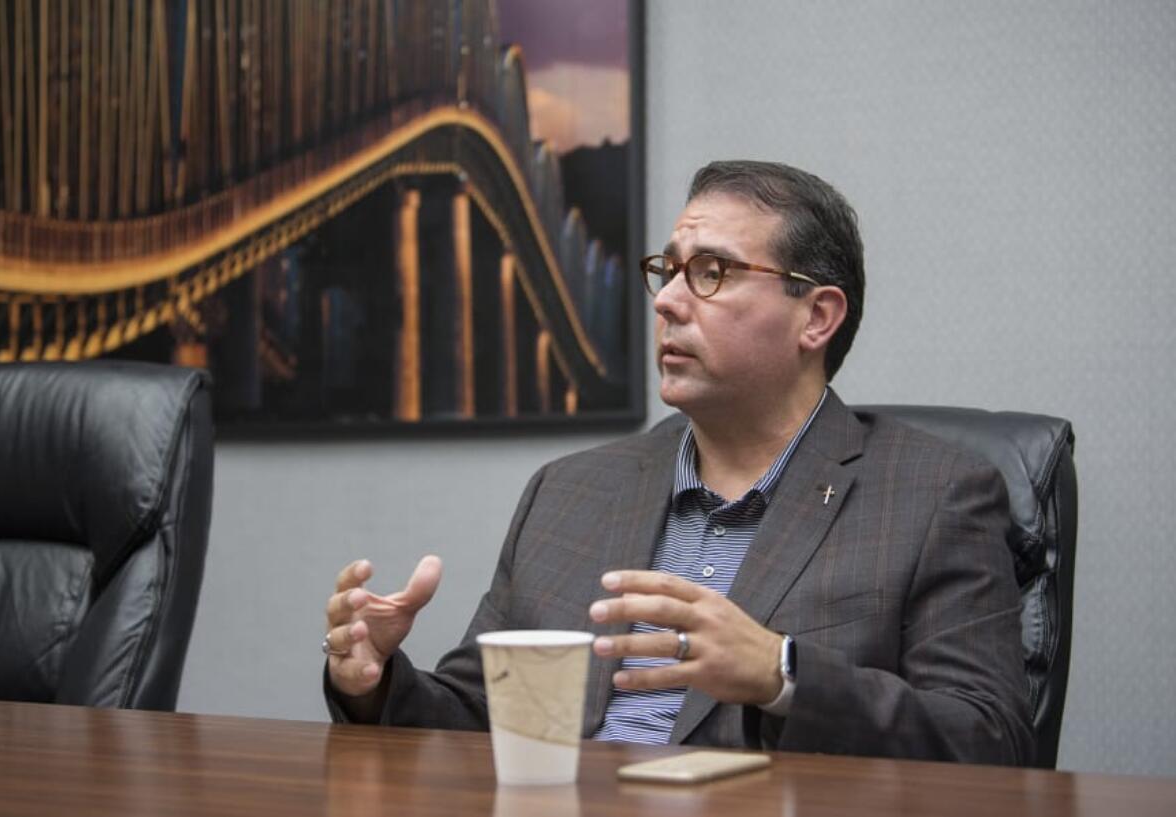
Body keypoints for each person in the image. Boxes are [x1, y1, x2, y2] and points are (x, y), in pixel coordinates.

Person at [321, 160, 1034, 764]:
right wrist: (376, 679)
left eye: (711, 272)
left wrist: (782, 673)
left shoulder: (935, 493)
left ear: (816, 317)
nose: (665, 300)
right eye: (667, 271)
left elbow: (988, 742)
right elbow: (483, 718)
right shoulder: (570, 491)